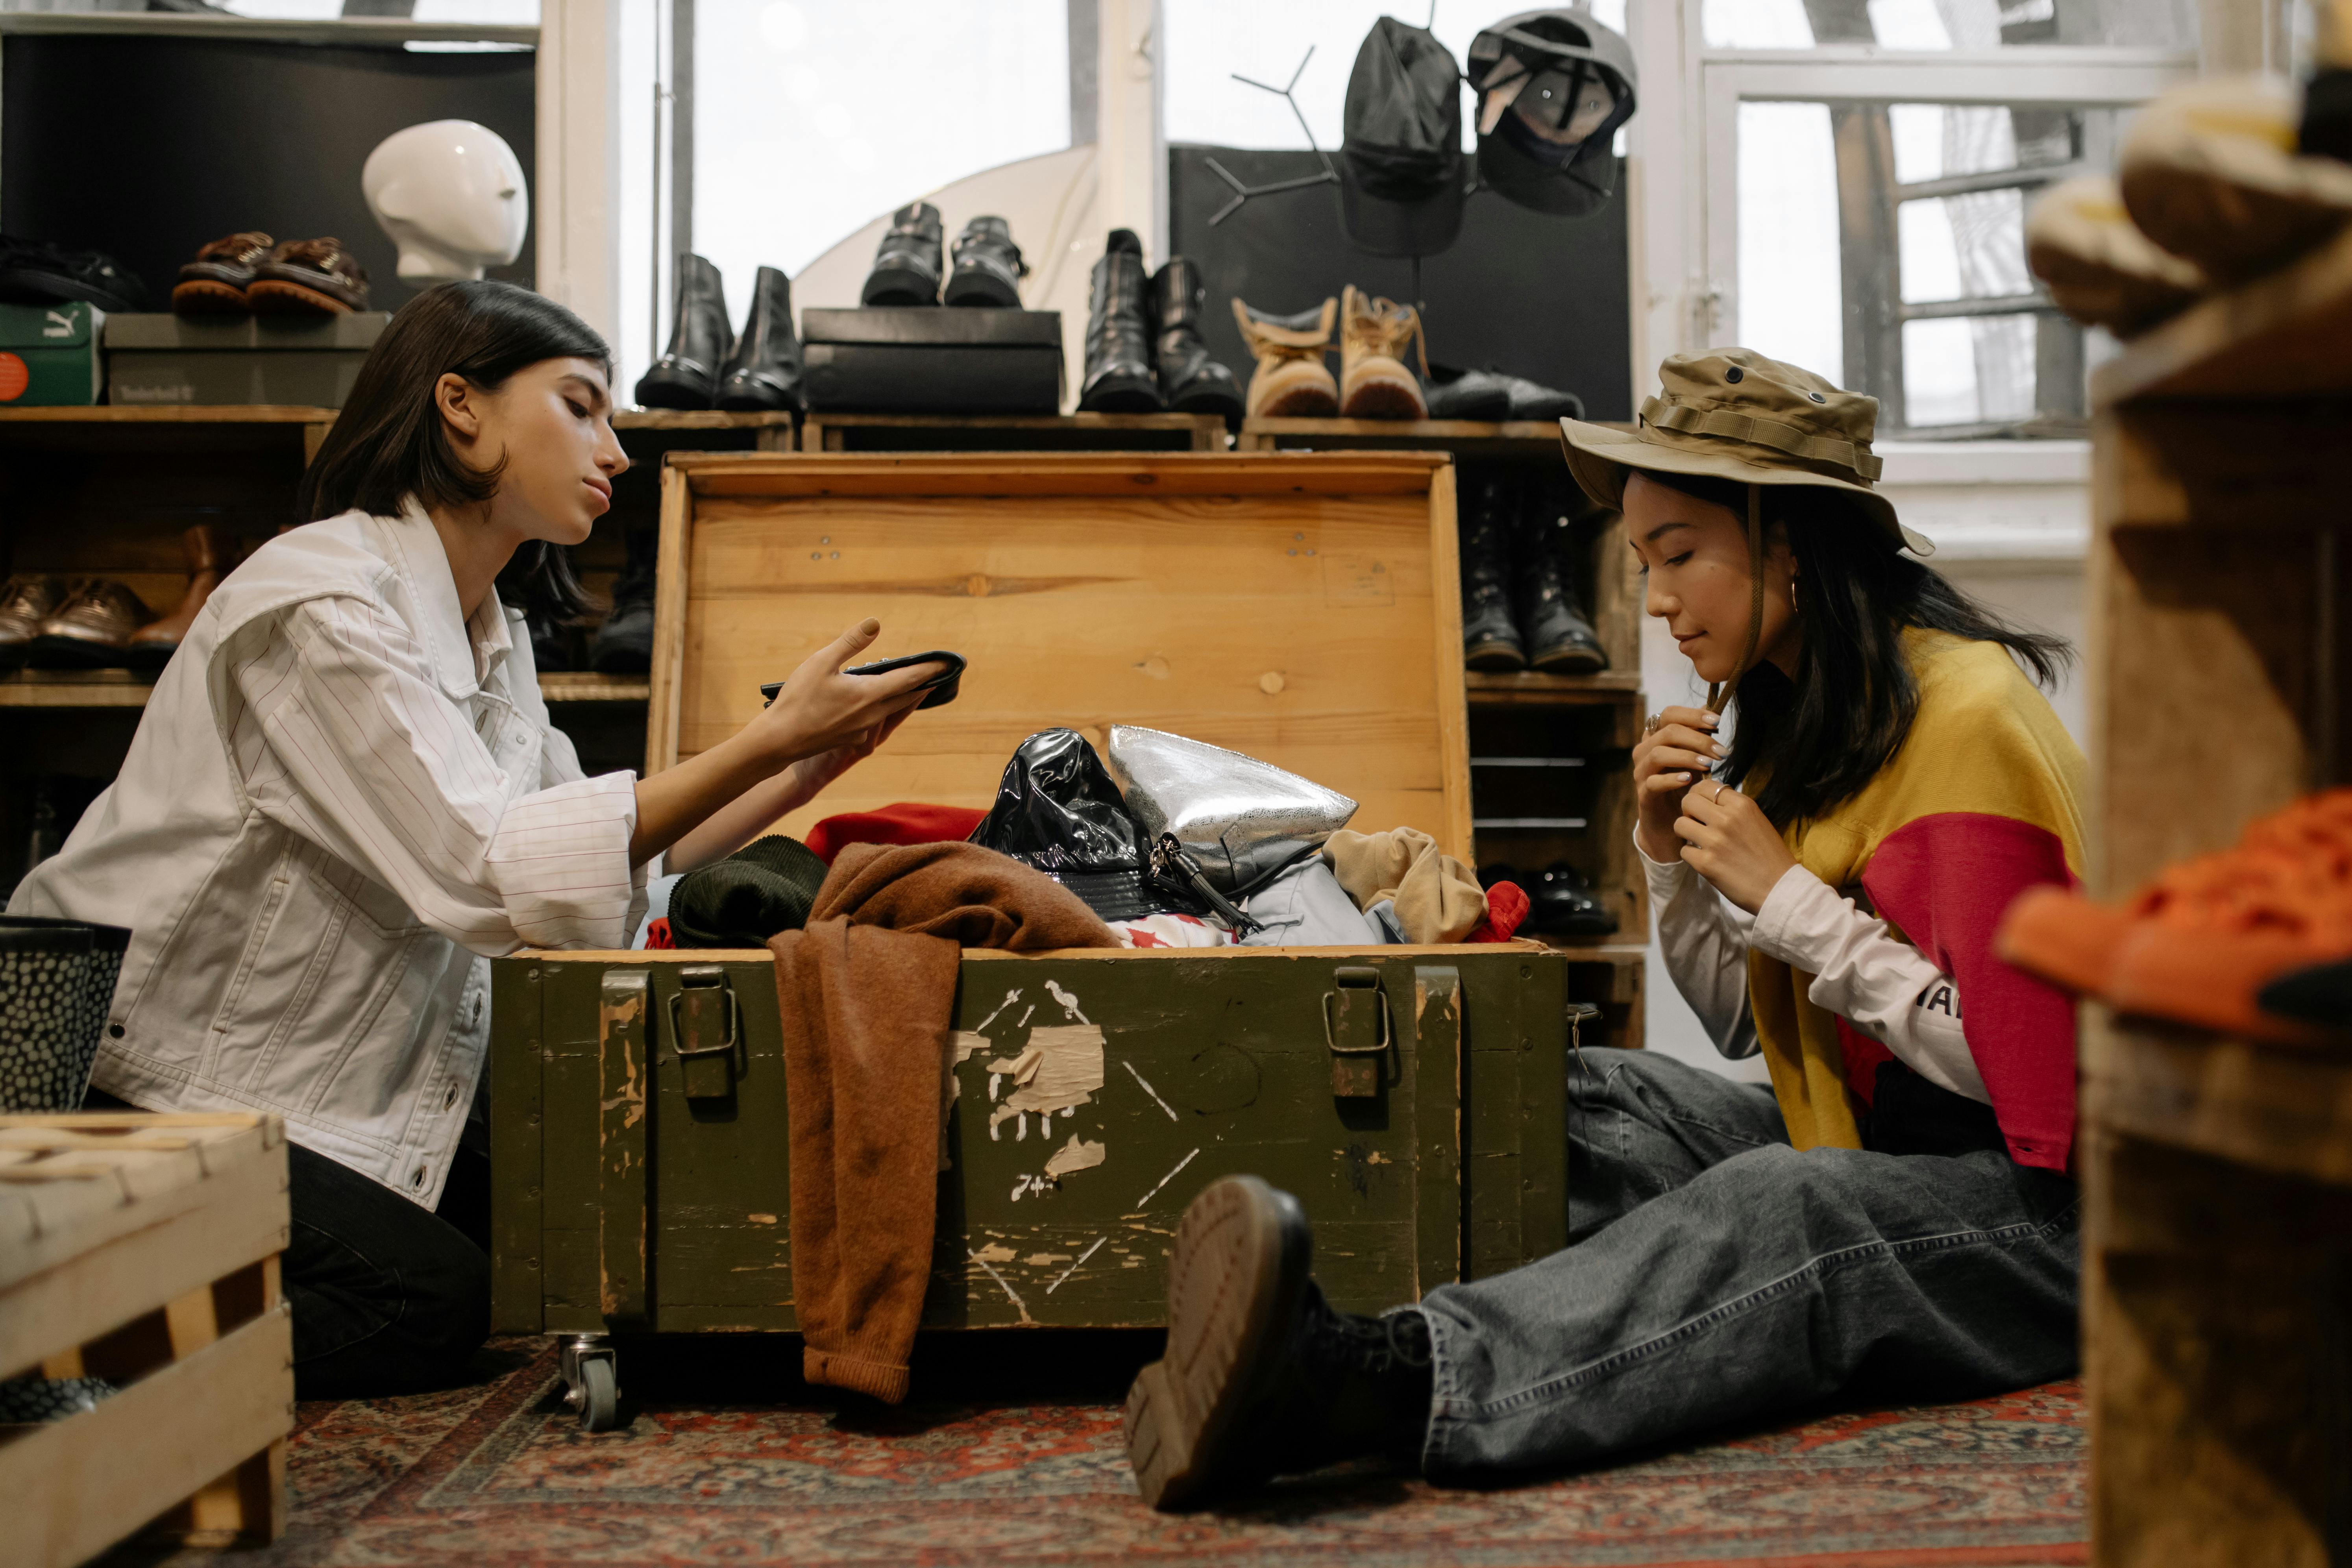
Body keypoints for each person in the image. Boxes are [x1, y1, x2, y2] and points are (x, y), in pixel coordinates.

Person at [1122, 349, 2087, 1508]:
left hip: (2055, 1224)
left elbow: (2031, 1079)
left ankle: (1372, 1377)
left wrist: (1791, 905)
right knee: (1572, 1089)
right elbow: (1742, 1028)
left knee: (1783, 1207)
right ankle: (1265, 1299)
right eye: (1642, 563)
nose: (1658, 600)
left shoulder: (1970, 721)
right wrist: (1666, 858)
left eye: (1680, 556)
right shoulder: (1801, 717)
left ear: (1789, 540)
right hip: (1876, 1138)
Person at [11, 281, 941, 1396]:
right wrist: (764, 742)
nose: (616, 449)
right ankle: (47, 1329)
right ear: (462, 405)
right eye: (581, 406)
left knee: (538, 1237)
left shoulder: (488, 639)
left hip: (266, 1085)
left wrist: (801, 766)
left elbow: (601, 873)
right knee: (425, 1301)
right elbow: (485, 867)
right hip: (117, 1076)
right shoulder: (323, 605)